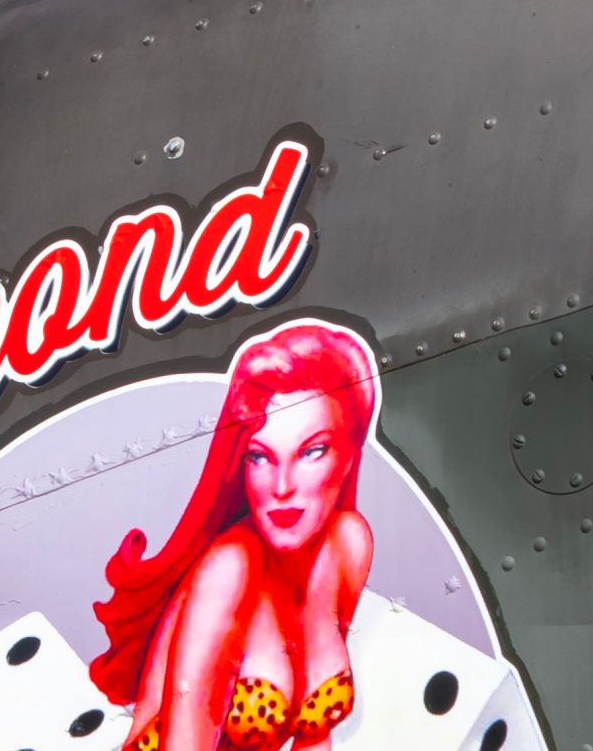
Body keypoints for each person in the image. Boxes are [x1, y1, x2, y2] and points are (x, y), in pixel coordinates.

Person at [88, 321, 378, 751]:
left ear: (350, 456)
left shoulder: (349, 545)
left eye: (311, 451)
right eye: (259, 457)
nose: (282, 487)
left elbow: (314, 738)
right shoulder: (231, 567)